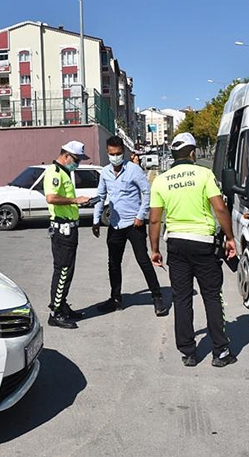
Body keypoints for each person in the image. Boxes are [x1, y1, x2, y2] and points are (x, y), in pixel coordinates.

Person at [148, 132, 238, 367]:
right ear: (192, 153)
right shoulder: (203, 174)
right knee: (211, 296)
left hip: (176, 244)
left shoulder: (161, 180)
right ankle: (220, 352)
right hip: (203, 244)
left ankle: (188, 352)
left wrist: (154, 249)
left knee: (182, 298)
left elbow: (155, 220)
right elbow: (219, 208)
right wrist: (230, 237)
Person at [93, 136, 167, 316]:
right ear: (107, 153)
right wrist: (96, 220)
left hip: (134, 224)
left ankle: (157, 297)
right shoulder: (105, 173)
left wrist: (141, 216)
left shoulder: (134, 170)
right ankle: (115, 299)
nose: (115, 157)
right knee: (113, 263)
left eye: (118, 153)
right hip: (115, 225)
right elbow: (100, 196)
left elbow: (146, 192)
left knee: (143, 260)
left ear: (123, 152)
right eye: (112, 154)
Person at [44, 140, 91, 329]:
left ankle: (62, 305)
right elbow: (51, 198)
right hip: (62, 229)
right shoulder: (54, 173)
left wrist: (78, 203)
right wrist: (75, 199)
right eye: (77, 159)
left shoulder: (64, 173)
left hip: (69, 228)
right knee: (63, 270)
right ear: (66, 156)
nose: (78, 163)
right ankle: (55, 312)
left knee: (68, 271)